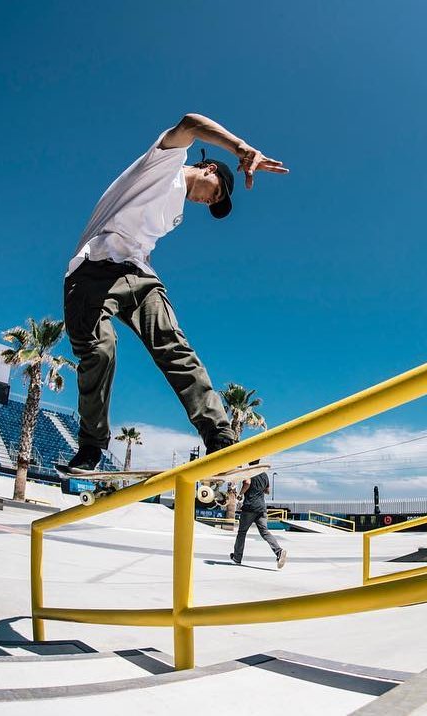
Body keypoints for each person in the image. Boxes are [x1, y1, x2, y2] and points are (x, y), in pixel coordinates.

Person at [62, 113, 288, 472]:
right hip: (93, 268)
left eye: (214, 202)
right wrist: (242, 149)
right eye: (214, 192)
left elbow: (142, 237)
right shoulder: (164, 164)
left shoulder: (175, 215)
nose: (208, 201)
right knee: (100, 350)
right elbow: (191, 122)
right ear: (209, 168)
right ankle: (91, 446)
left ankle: (220, 440)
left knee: (175, 348)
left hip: (138, 273)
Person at [230, 461, 286, 569]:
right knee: (264, 532)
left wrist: (241, 494)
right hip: (262, 508)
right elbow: (268, 491)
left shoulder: (249, 472)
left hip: (250, 507)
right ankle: (279, 551)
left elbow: (247, 482)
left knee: (242, 532)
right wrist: (259, 488)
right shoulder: (264, 474)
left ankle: (237, 557)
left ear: (250, 462)